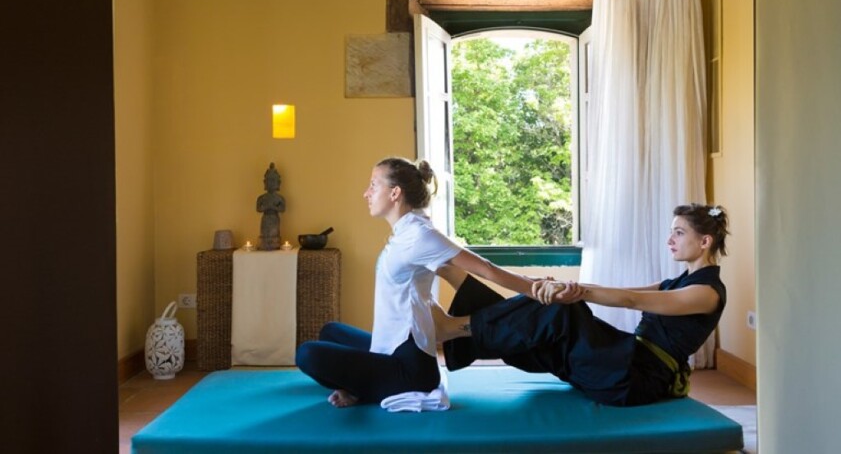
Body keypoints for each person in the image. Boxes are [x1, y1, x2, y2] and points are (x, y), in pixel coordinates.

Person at [295, 157, 544, 408]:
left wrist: (535, 287)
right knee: (330, 331)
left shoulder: (420, 235)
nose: (366, 193)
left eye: (373, 185)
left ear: (395, 193)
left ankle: (362, 389)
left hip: (411, 369)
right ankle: (364, 381)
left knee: (307, 354)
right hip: (389, 346)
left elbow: (486, 269)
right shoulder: (404, 231)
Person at [433, 203, 730, 406]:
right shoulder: (678, 282)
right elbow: (620, 290)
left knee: (560, 312)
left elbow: (631, 300)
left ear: (704, 242)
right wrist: (568, 288)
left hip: (633, 379)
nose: (670, 240)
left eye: (679, 233)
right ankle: (461, 294)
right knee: (542, 328)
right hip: (623, 360)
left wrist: (569, 294)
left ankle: (458, 325)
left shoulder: (706, 293)